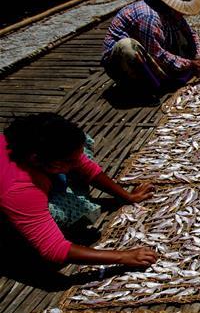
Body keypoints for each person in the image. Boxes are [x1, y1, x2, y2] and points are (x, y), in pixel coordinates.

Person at [0, 114, 158, 268]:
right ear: (35, 159)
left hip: (34, 178)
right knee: (60, 213)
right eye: (69, 161)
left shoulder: (31, 141)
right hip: (13, 199)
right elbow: (54, 249)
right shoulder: (20, 190)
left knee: (80, 151)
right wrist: (124, 256)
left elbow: (85, 166)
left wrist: (127, 196)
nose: (77, 162)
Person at [101, 0, 200, 94]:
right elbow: (158, 54)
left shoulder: (169, 11)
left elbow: (190, 33)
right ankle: (147, 88)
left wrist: (199, 56)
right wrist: (190, 64)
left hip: (151, 50)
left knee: (181, 35)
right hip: (121, 64)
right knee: (128, 47)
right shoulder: (149, 17)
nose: (182, 12)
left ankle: (165, 76)